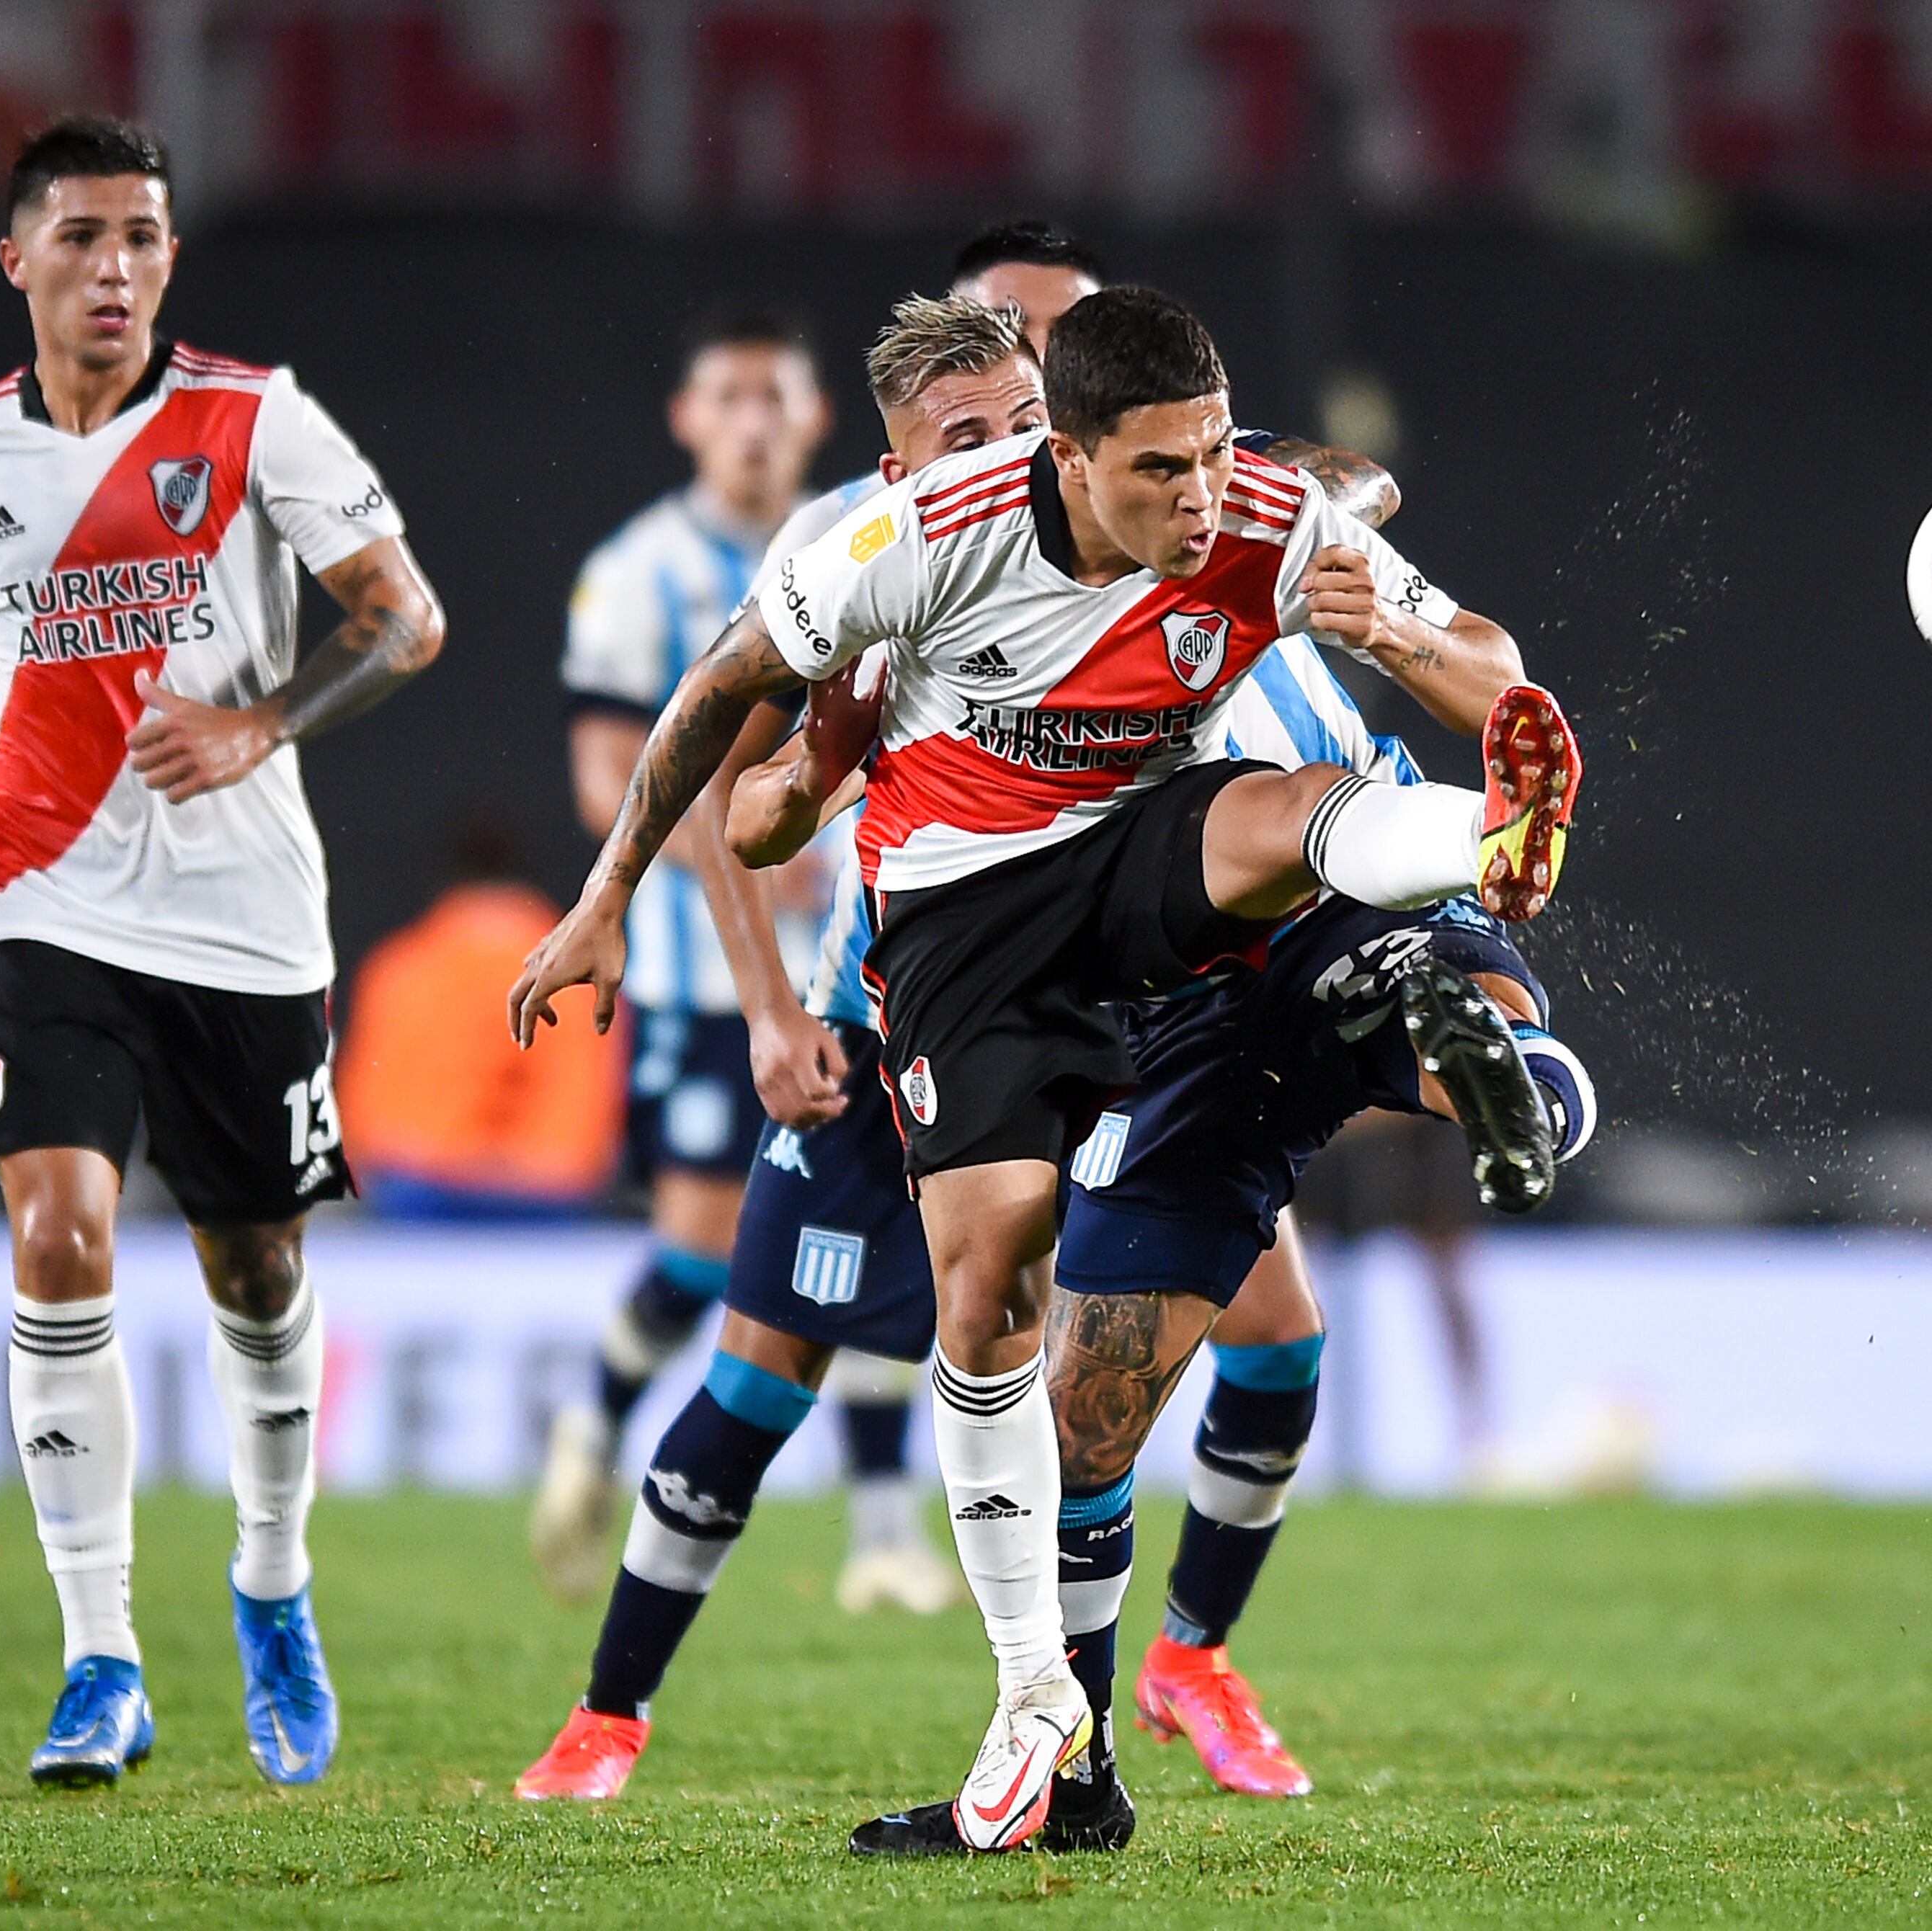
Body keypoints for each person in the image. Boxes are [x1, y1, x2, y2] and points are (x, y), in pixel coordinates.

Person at [512, 285, 1579, 1852]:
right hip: (968, 923)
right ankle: (1005, 1698)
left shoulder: (1249, 512)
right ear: (1055, 462)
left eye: (1211, 455)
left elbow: (1447, 614)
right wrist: (621, 895)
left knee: (1293, 817)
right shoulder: (896, 550)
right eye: (1156, 467)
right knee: (969, 1300)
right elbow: (731, 742)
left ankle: (1481, 848)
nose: (1196, 495)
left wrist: (1402, 633)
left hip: (1174, 876)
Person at [0, 116, 445, 1788]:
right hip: (43, 895)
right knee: (57, 1231)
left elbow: (405, 615)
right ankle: (99, 1655)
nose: (115, 267)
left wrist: (265, 720)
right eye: (83, 236)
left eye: (144, 237)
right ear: (17, 259)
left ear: (170, 258)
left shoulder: (256, 418)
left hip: (245, 918)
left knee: (255, 1269)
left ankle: (271, 1577)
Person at [530, 310, 935, 1612]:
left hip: (859, 963)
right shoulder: (634, 572)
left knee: (887, 1217)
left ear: (816, 417)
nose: (754, 421)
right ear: (688, 418)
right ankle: (594, 1423)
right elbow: (606, 772)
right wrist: (746, 840)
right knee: (708, 1252)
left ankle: (884, 1535)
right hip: (700, 977)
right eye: (729, 396)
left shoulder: (870, 538)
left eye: (777, 397)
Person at [336, 818, 619, 1219]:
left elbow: (370, 1116)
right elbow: (582, 1120)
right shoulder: (580, 973)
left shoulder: (401, 965)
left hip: (418, 1184)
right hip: (545, 1193)